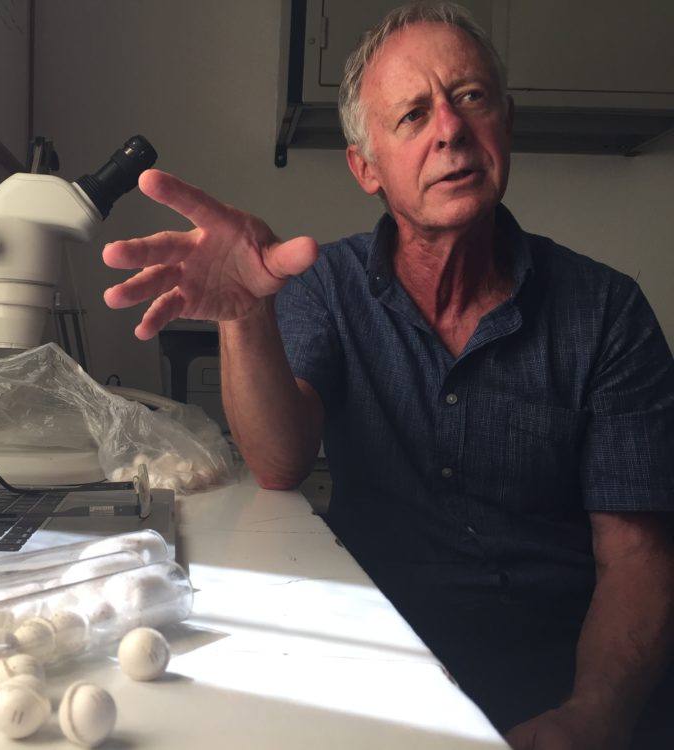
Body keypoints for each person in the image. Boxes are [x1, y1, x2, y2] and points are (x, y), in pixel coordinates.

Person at [100, 2, 674, 748]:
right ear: (365, 167)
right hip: (378, 653)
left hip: (561, 671)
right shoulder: (328, 285)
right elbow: (279, 460)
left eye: (471, 97)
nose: (451, 129)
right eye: (412, 115)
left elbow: (637, 557)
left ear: (506, 121)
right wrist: (245, 314)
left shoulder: (607, 311)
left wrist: (593, 715)